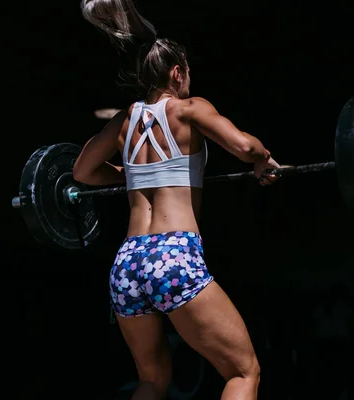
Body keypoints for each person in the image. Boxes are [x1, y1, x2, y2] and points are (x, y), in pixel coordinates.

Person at [73, 1, 283, 399]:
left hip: (128, 263)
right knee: (243, 371)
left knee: (152, 379)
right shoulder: (189, 108)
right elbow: (242, 145)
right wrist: (262, 158)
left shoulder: (125, 119)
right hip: (173, 255)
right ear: (177, 72)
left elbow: (82, 172)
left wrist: (130, 174)